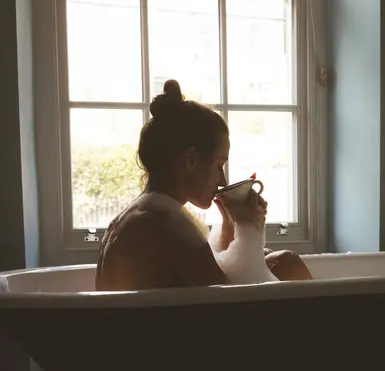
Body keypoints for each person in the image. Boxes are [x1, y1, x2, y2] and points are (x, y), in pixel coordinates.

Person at [95, 79, 312, 291]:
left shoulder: (147, 213)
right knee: (288, 264)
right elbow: (231, 307)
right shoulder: (169, 227)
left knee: (282, 262)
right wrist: (247, 228)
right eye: (219, 166)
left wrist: (231, 230)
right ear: (191, 160)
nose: (222, 181)